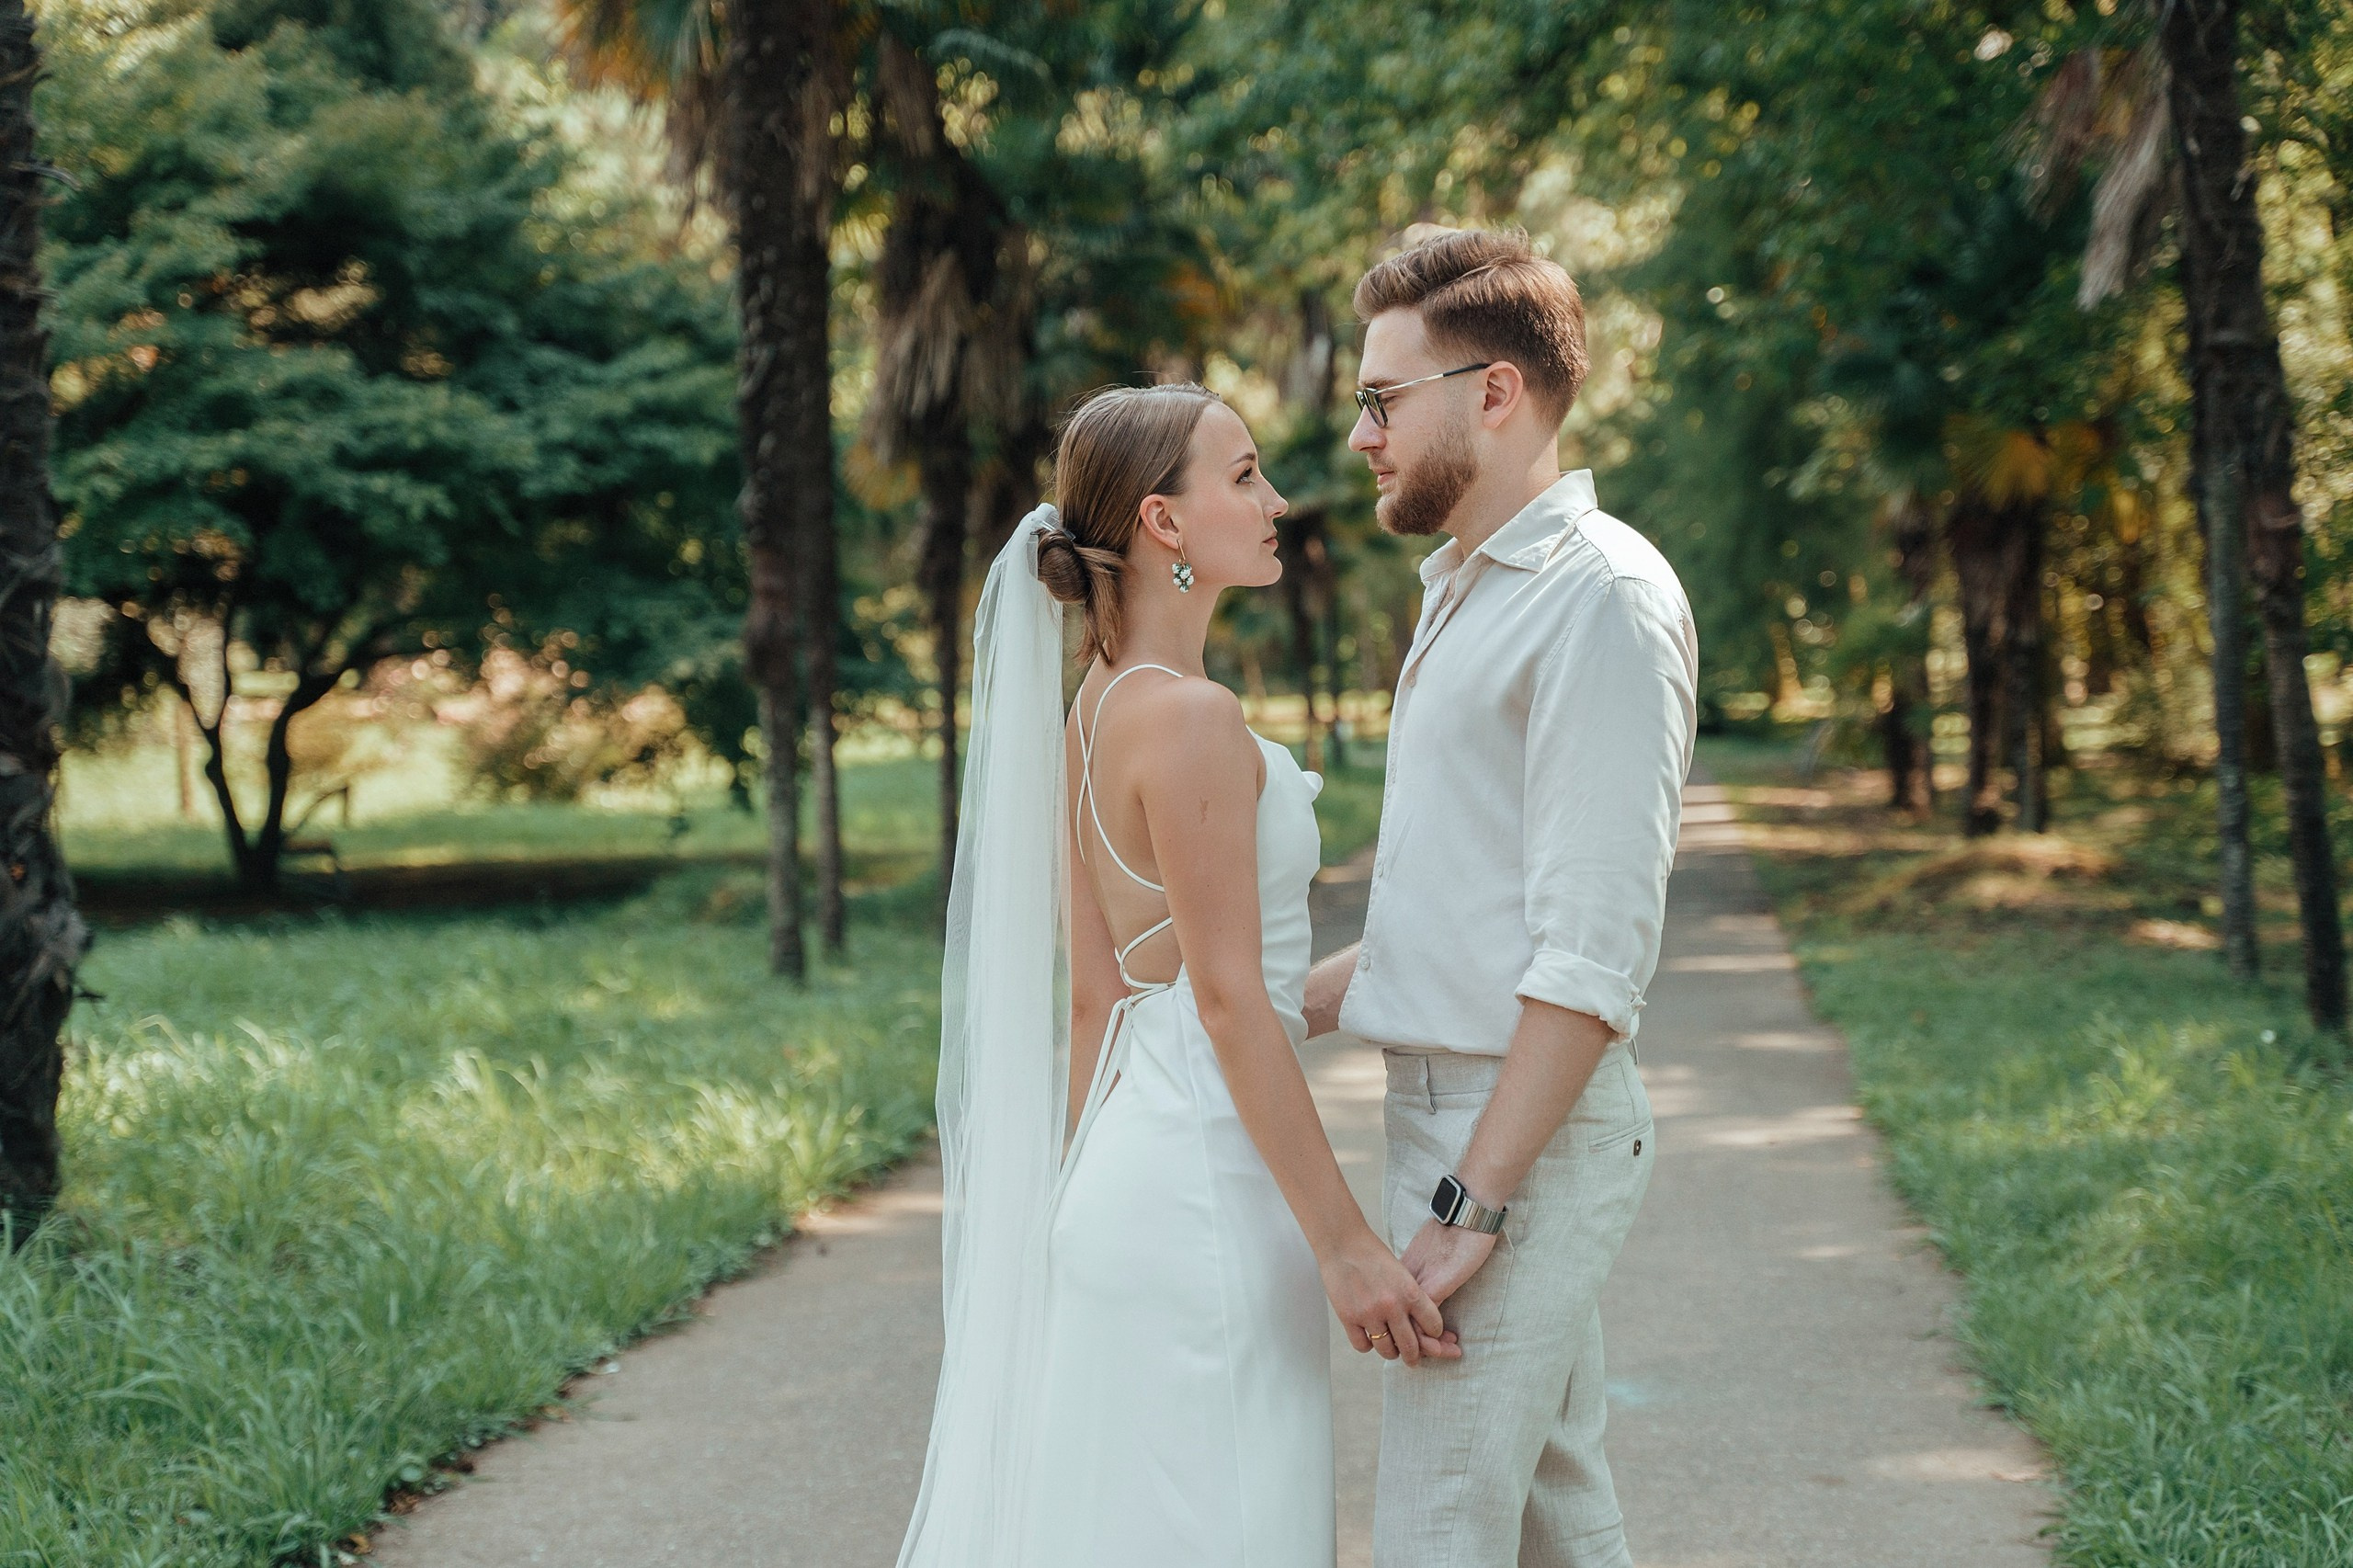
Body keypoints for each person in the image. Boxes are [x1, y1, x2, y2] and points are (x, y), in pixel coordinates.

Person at [897, 381, 1454, 1568]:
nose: (1277, 500)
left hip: (1123, 1180)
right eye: (1245, 474)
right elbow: (1224, 999)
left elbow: (1113, 993)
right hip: (1205, 1192)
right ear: (1161, 521)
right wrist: (1348, 1242)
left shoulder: (1093, 711)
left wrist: (1066, 1200)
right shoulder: (1192, 717)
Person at [1302, 228, 1699, 1568]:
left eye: (1380, 397)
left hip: (1520, 1130)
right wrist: (1239, 1007)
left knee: (1435, 1528)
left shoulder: (1600, 601)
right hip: (1454, 1110)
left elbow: (1592, 953)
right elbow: (1458, 913)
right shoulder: (1467, 589)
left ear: (1493, 392)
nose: (1360, 432)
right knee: (1553, 1517)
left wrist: (1476, 1198)